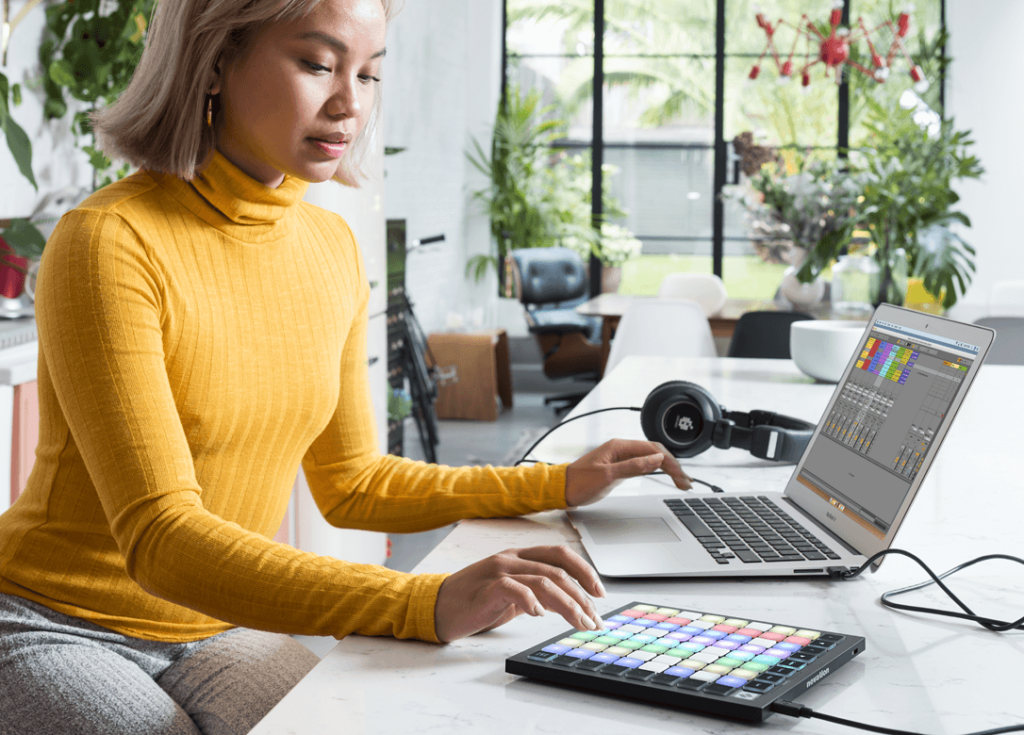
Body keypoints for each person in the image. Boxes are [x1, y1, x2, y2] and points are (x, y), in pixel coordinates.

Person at [0, 0, 691, 733]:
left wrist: (555, 483)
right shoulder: (108, 240)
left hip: (216, 623)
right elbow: (162, 539)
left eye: (368, 74)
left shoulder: (330, 247)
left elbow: (354, 482)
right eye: (317, 64)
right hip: (55, 620)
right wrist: (418, 602)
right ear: (214, 61)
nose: (349, 104)